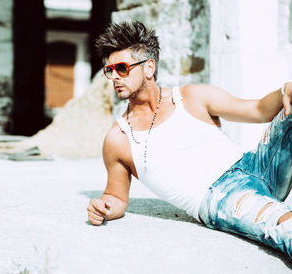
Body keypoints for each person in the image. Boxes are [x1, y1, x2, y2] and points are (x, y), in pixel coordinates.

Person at [86, 21, 292, 257]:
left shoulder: (192, 97)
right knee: (285, 225)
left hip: (257, 165)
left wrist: (285, 91)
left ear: (149, 68)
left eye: (121, 68)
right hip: (221, 196)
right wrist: (103, 209)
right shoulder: (118, 139)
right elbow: (115, 196)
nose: (114, 77)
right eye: (109, 70)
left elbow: (259, 110)